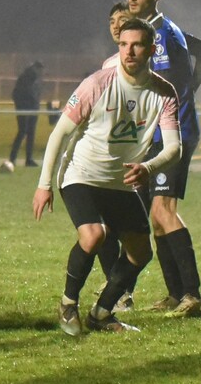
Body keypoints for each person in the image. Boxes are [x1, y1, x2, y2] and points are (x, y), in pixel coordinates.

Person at [34, 18, 181, 335]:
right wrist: (44, 185)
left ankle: (101, 314)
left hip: (119, 184)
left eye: (137, 45)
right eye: (124, 45)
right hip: (81, 175)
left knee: (140, 252)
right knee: (93, 235)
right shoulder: (97, 84)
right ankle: (68, 305)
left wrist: (148, 167)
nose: (129, 51)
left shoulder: (164, 93)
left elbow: (174, 148)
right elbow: (59, 133)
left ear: (151, 50)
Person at [111, 0, 201, 318]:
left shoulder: (163, 34)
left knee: (162, 212)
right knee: (155, 217)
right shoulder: (153, 30)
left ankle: (194, 296)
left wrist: (183, 94)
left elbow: (164, 84)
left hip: (174, 133)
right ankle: (176, 294)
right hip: (156, 133)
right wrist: (189, 88)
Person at [5, 61, 44, 170]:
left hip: (30, 108)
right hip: (27, 108)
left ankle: (22, 159)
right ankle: (17, 158)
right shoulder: (30, 76)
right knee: (24, 131)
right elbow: (26, 94)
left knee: (27, 132)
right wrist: (31, 104)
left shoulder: (30, 77)